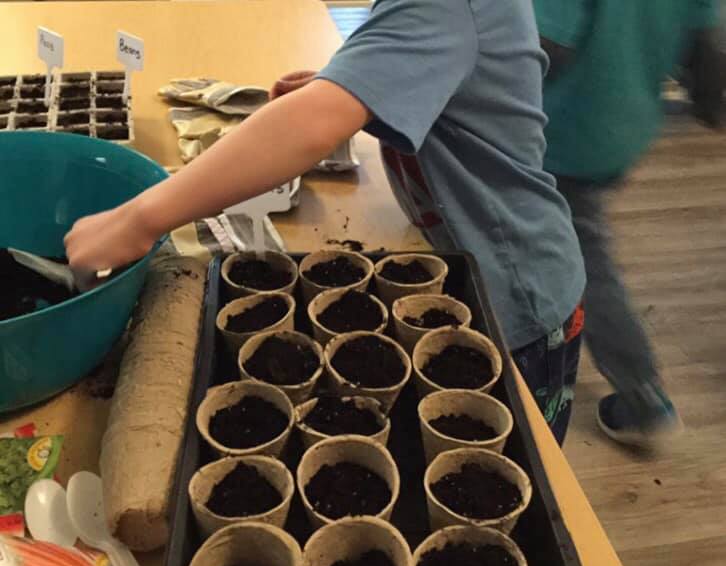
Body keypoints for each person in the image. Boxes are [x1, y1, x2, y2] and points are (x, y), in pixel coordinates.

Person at [65, 0, 586, 444]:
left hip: (520, 302)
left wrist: (138, 219)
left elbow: (313, 126)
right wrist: (353, 85)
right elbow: (452, 68)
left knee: (504, 463)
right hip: (468, 268)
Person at [534, 0, 725, 446]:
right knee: (562, 241)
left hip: (566, 133)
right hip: (624, 125)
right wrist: (709, 105)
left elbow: (546, 49)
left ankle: (643, 399)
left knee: (585, 262)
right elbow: (707, 45)